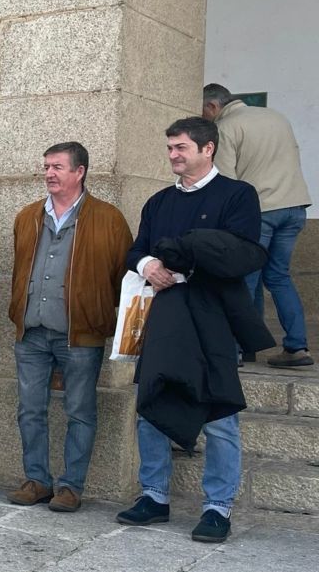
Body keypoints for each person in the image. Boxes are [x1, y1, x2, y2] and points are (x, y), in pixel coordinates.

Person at [117, 117, 270, 544]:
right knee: (152, 401)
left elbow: (245, 254)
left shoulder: (237, 195)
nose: (173, 155)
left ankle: (217, 507)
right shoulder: (159, 201)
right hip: (166, 314)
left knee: (219, 413)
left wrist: (190, 255)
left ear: (208, 149)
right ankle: (154, 496)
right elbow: (135, 249)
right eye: (170, 148)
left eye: (181, 147)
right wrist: (148, 264)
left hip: (214, 314)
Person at [6, 143, 132, 511]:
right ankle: (36, 480)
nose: (49, 173)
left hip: (81, 334)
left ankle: (71, 487)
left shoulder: (109, 218)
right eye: (46, 166)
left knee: (80, 410)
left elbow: (122, 276)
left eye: (58, 167)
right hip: (31, 332)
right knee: (30, 409)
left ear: (80, 172)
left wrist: (94, 310)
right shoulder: (27, 216)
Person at [203, 83, 313, 368]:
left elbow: (226, 182)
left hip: (260, 211)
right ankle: (297, 347)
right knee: (278, 277)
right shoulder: (276, 117)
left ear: (213, 106)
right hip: (295, 207)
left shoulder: (225, 127)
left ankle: (236, 350)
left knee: (243, 279)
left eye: (204, 112)